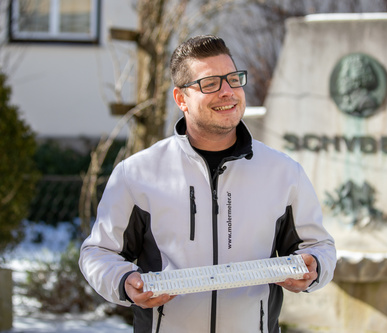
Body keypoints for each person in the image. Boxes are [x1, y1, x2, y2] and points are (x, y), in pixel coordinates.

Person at [79, 35, 336, 333]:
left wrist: (314, 266)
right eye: (210, 83)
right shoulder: (137, 174)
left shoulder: (283, 172)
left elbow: (319, 246)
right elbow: (98, 253)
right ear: (181, 99)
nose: (227, 92)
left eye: (233, 79)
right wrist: (124, 282)